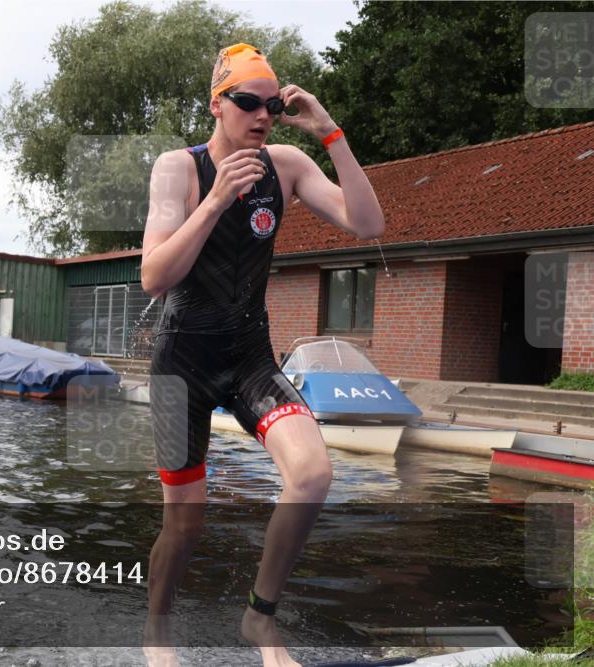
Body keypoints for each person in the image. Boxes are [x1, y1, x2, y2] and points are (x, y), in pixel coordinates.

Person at [140, 44, 385, 667]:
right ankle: (157, 631)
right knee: (185, 526)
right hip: (180, 366)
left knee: (312, 474)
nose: (261, 116)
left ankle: (260, 618)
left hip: (250, 357)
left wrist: (330, 132)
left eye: (271, 105)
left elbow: (368, 224)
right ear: (218, 105)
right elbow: (153, 277)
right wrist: (217, 200)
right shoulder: (180, 169)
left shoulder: (287, 164)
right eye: (247, 103)